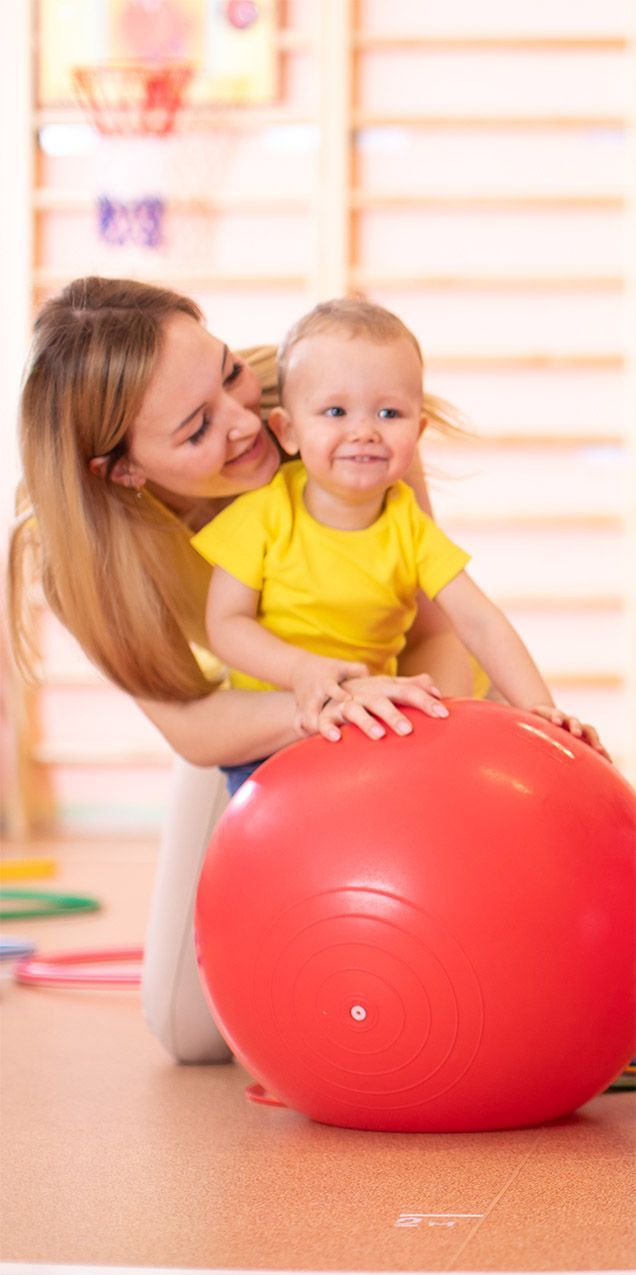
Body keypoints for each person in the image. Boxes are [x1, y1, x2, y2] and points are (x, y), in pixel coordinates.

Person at [8, 277, 480, 1065]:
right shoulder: (91, 560)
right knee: (189, 1031)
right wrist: (322, 698)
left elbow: (438, 629)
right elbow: (192, 724)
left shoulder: (333, 403)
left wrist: (422, 751)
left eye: (227, 371)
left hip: (410, 691)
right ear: (123, 471)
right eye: (196, 429)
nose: (244, 420)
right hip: (255, 717)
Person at [192, 298, 608, 794]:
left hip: (372, 722)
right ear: (288, 430)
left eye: (389, 412)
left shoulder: (407, 525)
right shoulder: (262, 514)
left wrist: (541, 710)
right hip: (277, 738)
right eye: (335, 411)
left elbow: (478, 620)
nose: (364, 431)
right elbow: (227, 625)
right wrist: (306, 673)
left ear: (418, 430)